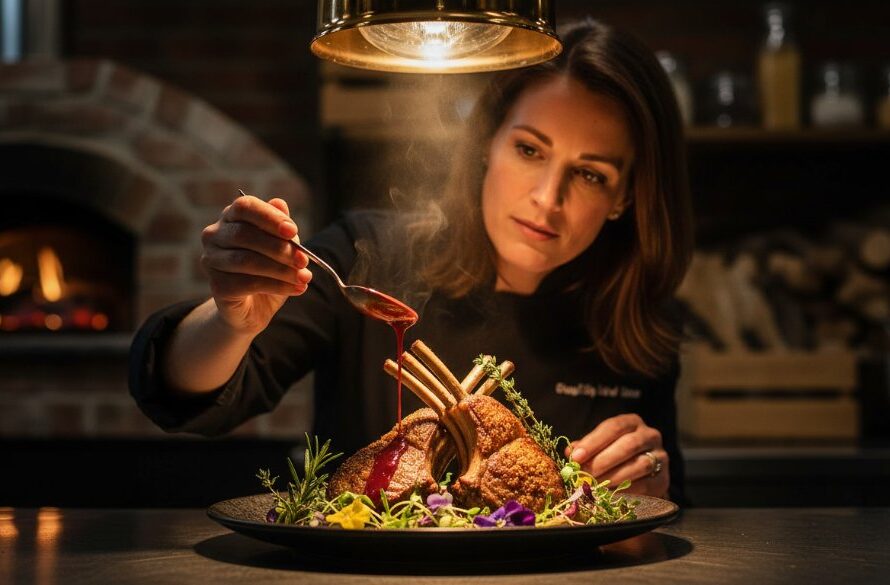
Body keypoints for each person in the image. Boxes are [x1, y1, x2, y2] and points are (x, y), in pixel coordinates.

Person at [130, 19, 693, 504]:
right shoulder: (363, 257)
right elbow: (189, 395)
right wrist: (231, 321)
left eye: (592, 174)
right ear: (487, 145)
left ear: (625, 197)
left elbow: (664, 504)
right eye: (529, 149)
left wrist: (649, 482)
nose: (549, 197)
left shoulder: (636, 324)